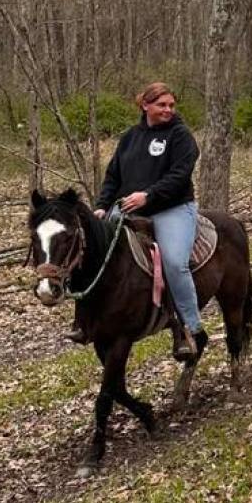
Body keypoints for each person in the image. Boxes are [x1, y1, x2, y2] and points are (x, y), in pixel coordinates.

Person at [90, 82, 204, 359]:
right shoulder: (130, 137)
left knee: (175, 263)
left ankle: (192, 327)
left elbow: (180, 175)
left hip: (173, 208)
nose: (168, 110)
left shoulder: (180, 136)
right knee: (96, 252)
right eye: (162, 105)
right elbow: (113, 176)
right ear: (145, 106)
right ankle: (88, 321)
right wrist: (102, 207)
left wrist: (149, 196)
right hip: (130, 208)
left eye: (171, 105)